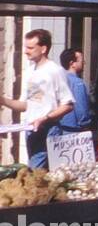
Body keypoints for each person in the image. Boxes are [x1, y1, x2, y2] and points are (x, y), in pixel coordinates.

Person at [1, 29, 74, 170]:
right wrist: (3, 100)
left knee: (35, 172)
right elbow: (25, 105)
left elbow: (68, 105)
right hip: (31, 129)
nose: (26, 51)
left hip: (48, 129)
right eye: (25, 47)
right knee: (39, 174)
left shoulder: (55, 71)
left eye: (30, 48)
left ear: (43, 49)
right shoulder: (29, 71)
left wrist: (45, 118)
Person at [56, 49, 94, 135]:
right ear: (72, 63)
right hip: (73, 131)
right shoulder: (78, 83)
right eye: (81, 61)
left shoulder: (58, 79)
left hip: (59, 128)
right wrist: (86, 124)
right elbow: (81, 108)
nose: (84, 63)